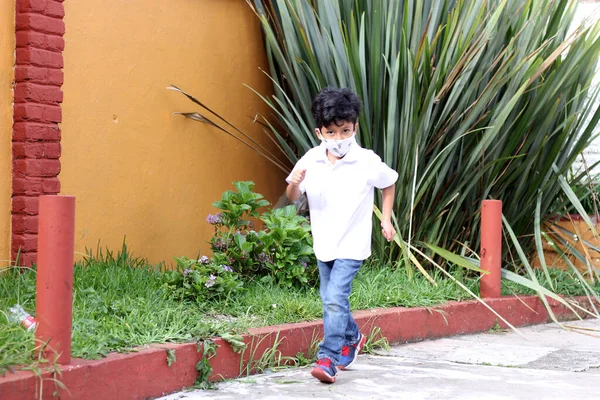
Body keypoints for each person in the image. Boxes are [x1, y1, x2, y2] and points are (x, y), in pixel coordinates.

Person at [286, 87, 398, 383]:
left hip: (352, 243)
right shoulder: (311, 160)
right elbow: (293, 195)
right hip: (324, 243)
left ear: (355, 128)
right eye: (331, 132)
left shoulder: (366, 160)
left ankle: (329, 358)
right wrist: (295, 183)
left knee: (335, 299)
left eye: (345, 131)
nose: (339, 139)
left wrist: (386, 221)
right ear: (319, 131)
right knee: (330, 299)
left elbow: (389, 183)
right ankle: (352, 337)